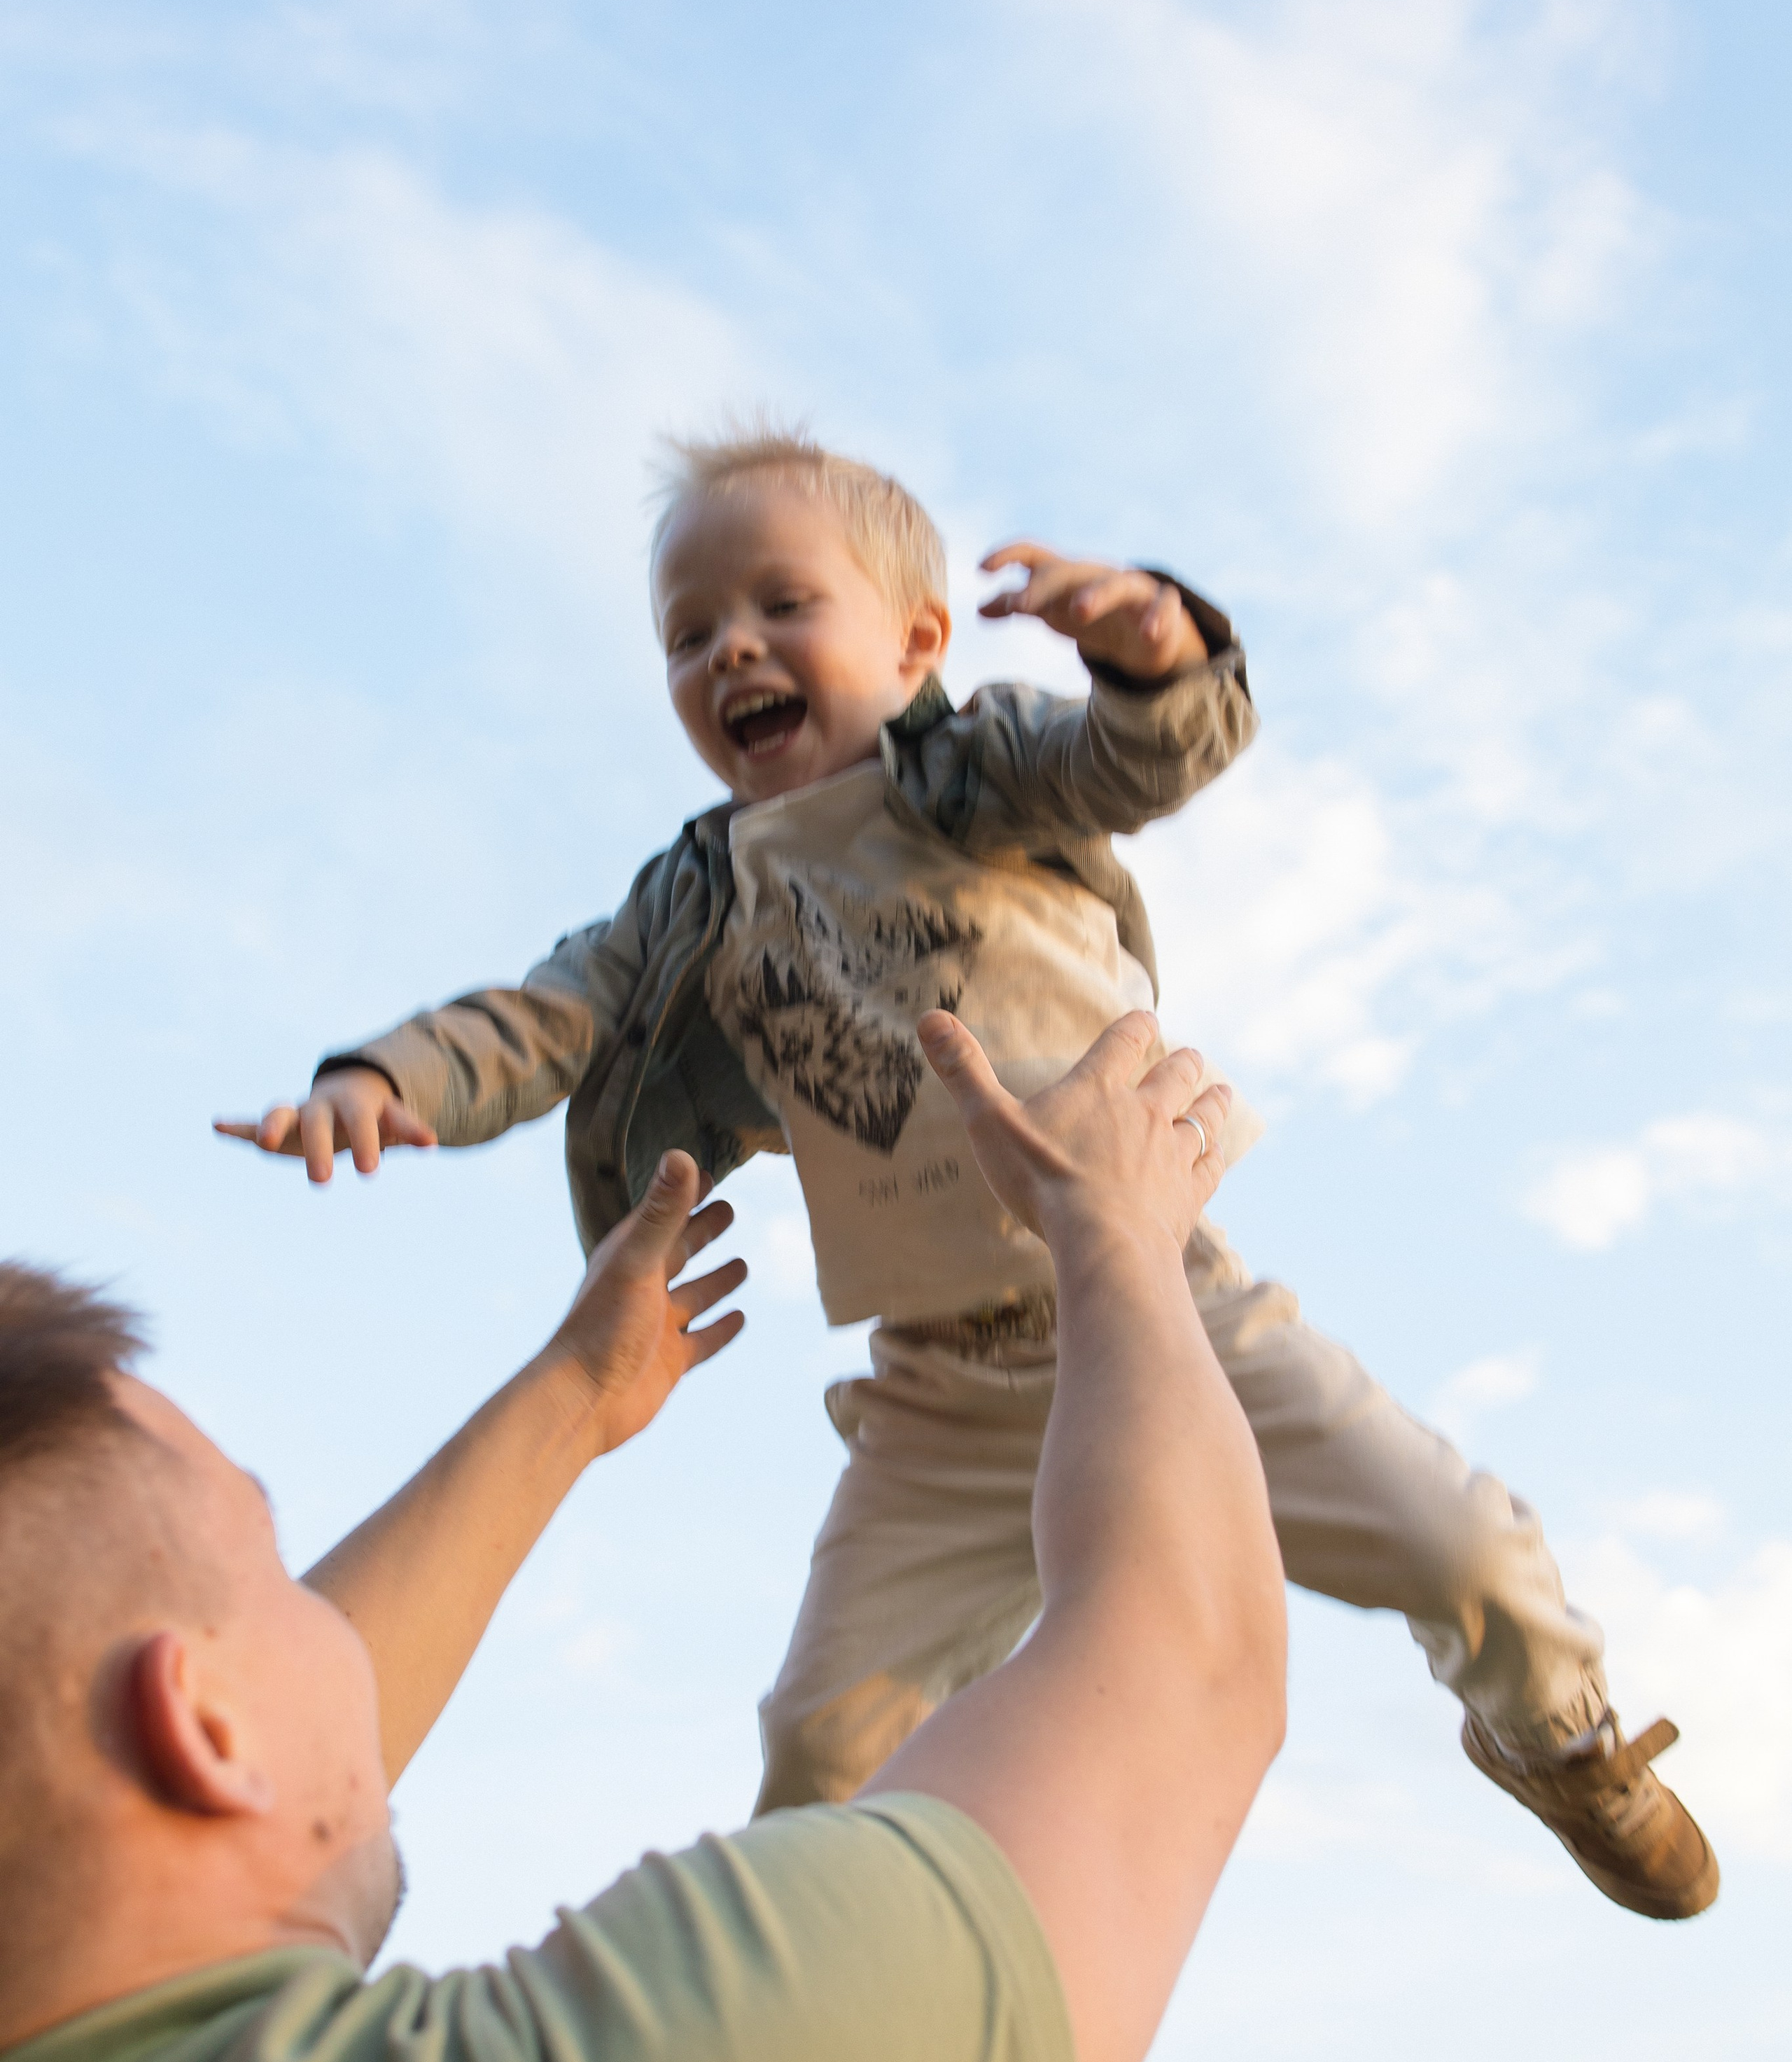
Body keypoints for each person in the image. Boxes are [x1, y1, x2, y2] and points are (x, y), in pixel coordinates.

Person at [218, 427, 1717, 1921]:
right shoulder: (691, 907)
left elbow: (1128, 759)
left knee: (1464, 1549)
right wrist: (385, 1080)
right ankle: (822, 1968)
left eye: (781, 606)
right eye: (689, 634)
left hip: (1164, 1318)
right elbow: (548, 1016)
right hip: (942, 1390)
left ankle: (1561, 1742)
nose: (731, 649)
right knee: (822, 1739)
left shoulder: (975, 777)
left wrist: (1151, 649)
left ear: (916, 642)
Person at [1, 1016, 1281, 2062]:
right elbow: (1189, 1662)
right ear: (205, 1729)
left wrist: (574, 1398)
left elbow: (230, 1765)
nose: (335, 1624)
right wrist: (1114, 1229)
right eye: (275, 1565)